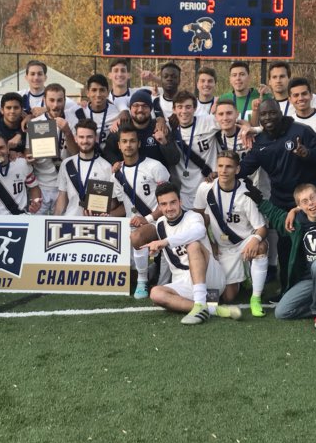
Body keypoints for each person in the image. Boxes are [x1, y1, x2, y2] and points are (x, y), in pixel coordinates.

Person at [132, 182, 239, 325]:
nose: (169, 208)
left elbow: (199, 232)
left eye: (173, 202)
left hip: (210, 278)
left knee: (193, 245)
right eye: (163, 204)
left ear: (180, 201)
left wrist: (165, 242)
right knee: (155, 294)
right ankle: (213, 310)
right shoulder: (160, 224)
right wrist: (156, 248)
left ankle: (200, 304)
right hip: (183, 281)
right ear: (159, 207)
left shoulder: (193, 217)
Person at [252, 182, 316, 329]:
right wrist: (259, 201)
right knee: (282, 312)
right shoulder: (297, 222)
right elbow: (276, 215)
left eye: (312, 198)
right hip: (311, 279)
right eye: (304, 201)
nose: (311, 204)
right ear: (299, 206)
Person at [194, 151, 269, 316]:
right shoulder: (205, 188)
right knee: (227, 297)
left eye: (229, 167)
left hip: (244, 241)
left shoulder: (246, 193)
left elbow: (262, 228)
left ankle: (255, 299)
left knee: (261, 248)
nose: (223, 170)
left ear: (237, 169)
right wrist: (210, 243)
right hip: (223, 246)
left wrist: (254, 240)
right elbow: (198, 219)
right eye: (220, 166)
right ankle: (244, 278)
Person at [111, 127, 171, 299]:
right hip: (134, 223)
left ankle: (142, 281)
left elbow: (168, 201)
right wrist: (106, 216)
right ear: (119, 145)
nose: (128, 145)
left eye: (132, 141)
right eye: (124, 141)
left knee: (137, 237)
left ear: (138, 144)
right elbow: (123, 205)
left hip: (157, 221)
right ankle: (151, 271)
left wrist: (147, 218)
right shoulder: (116, 173)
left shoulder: (154, 166)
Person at [53, 120, 126, 217]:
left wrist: (101, 211)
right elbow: (62, 197)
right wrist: (54, 220)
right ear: (75, 138)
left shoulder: (106, 167)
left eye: (89, 137)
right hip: (70, 220)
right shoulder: (66, 164)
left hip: (95, 222)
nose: (85, 141)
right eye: (81, 137)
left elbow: (113, 201)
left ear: (96, 138)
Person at [26, 83, 79, 214]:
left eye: (59, 100)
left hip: (65, 186)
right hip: (41, 184)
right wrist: (30, 158)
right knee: (37, 228)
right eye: (51, 100)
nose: (55, 105)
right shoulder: (34, 123)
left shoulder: (73, 121)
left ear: (65, 101)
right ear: (44, 100)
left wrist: (67, 131)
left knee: (59, 230)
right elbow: (28, 151)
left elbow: (76, 154)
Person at [168, 90, 219, 207]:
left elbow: (231, 124)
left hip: (209, 185)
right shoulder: (169, 128)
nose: (184, 111)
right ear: (174, 109)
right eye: (180, 107)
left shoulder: (207, 121)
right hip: (184, 193)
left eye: (188, 107)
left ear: (195, 108)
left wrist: (249, 127)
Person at [0, 132, 43, 215]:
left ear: (8, 148)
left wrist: (35, 203)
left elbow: (34, 187)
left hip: (20, 217)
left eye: (1, 147)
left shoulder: (22, 164)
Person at [74, 73, 117, 146]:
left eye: (102, 90)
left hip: (110, 156)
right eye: (94, 90)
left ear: (107, 92)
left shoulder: (117, 112)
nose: (98, 94)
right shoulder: (78, 111)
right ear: (88, 93)